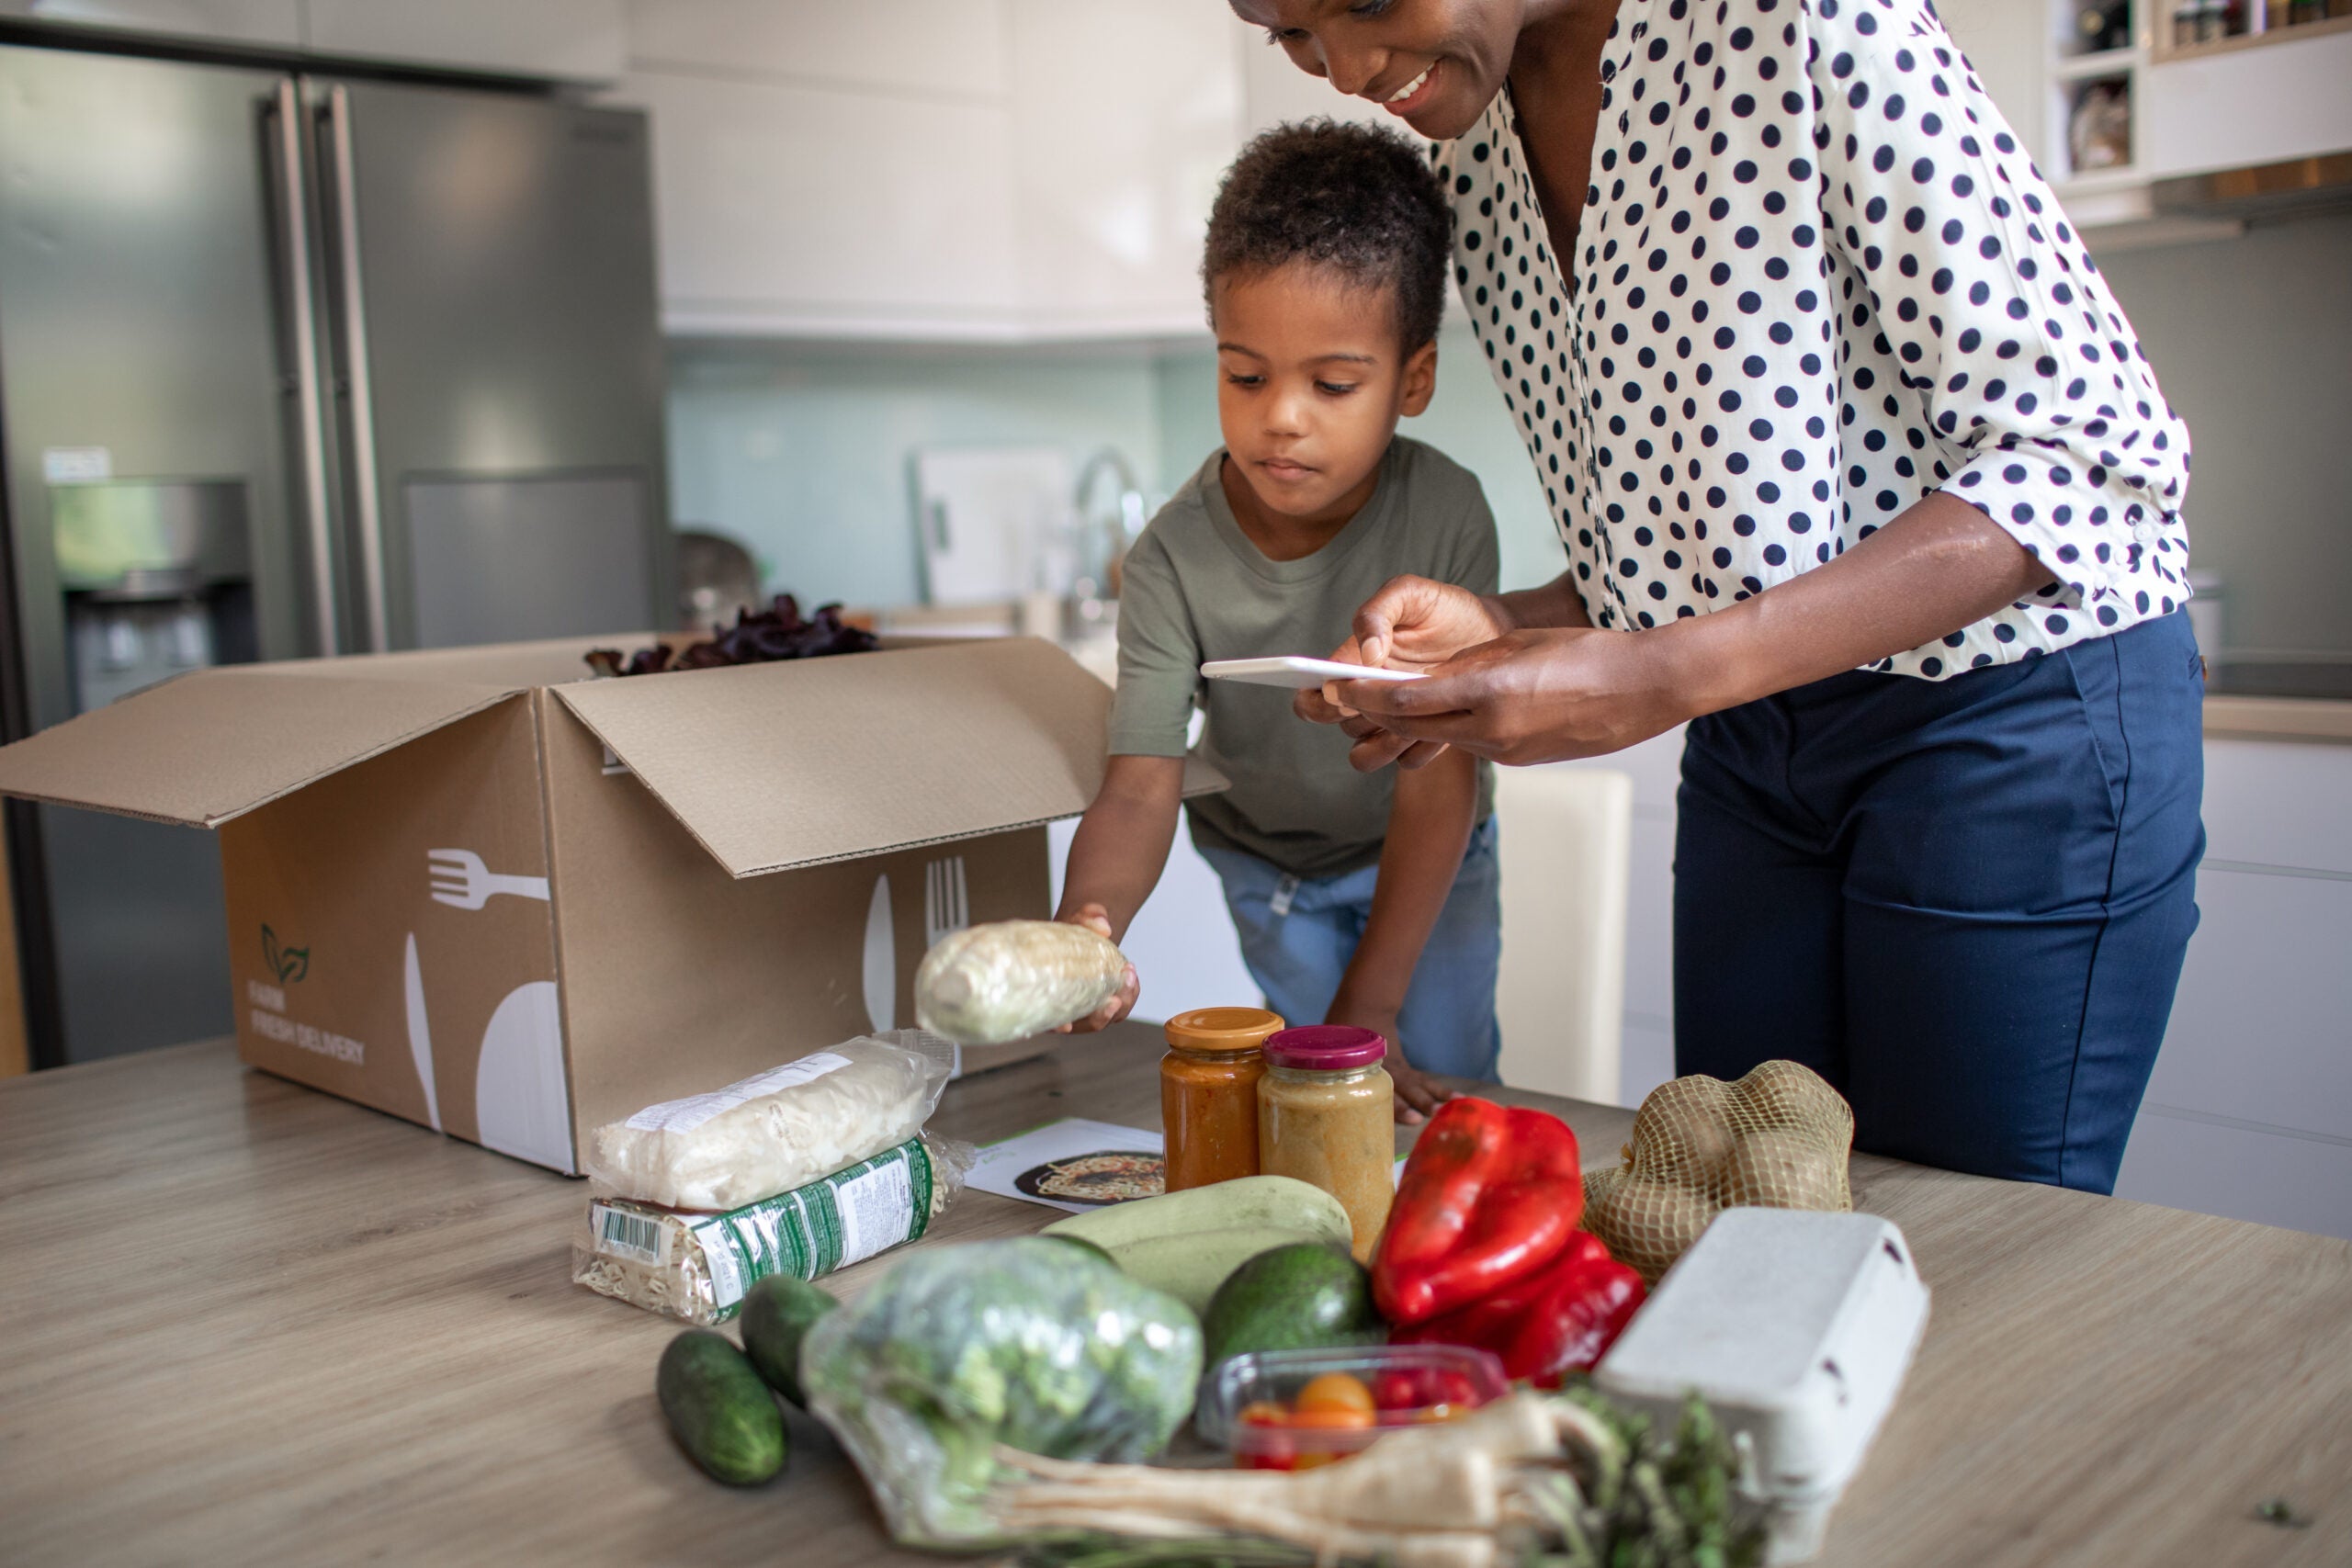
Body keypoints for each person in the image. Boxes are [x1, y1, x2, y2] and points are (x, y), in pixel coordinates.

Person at [1243, 0, 2205, 1190]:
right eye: (1284, 31)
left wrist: (1656, 676)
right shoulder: (1473, 156)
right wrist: (1510, 628)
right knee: (1724, 1209)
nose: (1343, 67)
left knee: (1969, 1255)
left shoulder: (1796, 19)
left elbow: (2083, 462)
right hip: (1760, 741)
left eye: (1368, 2)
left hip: (2009, 714)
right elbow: (1690, 560)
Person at [1055, 120, 1504, 1124]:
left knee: (1441, 1082)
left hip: (1422, 850)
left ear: (1413, 380)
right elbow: (1138, 787)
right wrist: (1090, 924)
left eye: (1332, 385)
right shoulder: (1171, 556)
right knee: (1325, 1101)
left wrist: (1372, 1004)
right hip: (1265, 865)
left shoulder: (1445, 515)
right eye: (1245, 375)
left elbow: (1439, 790)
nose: (1282, 417)